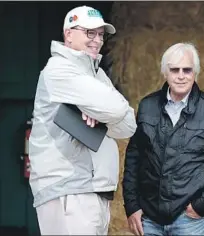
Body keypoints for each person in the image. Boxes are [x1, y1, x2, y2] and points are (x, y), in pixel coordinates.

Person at [28, 5, 137, 235]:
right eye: (90, 33)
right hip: (68, 190)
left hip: (91, 190)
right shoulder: (59, 69)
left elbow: (128, 124)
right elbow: (117, 109)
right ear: (68, 34)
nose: (97, 40)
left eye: (100, 34)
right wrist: (106, 111)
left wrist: (99, 114)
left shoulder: (96, 73)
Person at [122, 43, 204, 235]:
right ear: (165, 73)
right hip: (149, 219)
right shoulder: (147, 106)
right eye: (174, 70)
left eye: (187, 70)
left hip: (189, 220)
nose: (181, 76)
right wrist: (132, 205)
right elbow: (134, 158)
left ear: (195, 73)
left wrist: (202, 205)